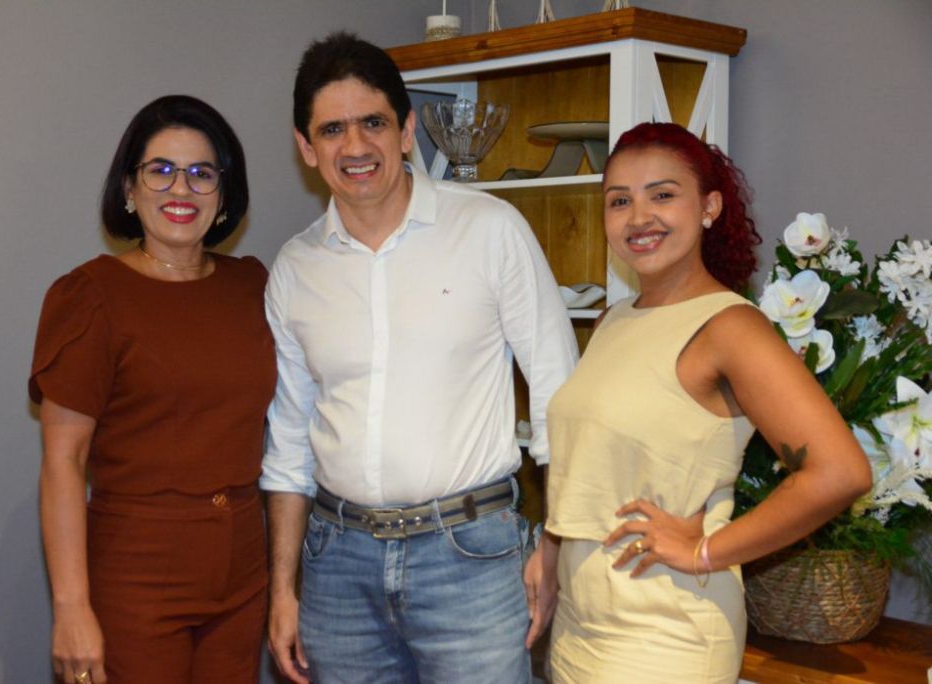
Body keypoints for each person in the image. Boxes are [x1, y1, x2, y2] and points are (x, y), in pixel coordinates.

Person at [262, 31, 578, 683]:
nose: (355, 146)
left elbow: (559, 391)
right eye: (332, 130)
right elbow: (290, 439)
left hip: (471, 558)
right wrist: (283, 588)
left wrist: (555, 542)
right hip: (337, 567)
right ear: (306, 147)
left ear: (406, 130)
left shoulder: (490, 230)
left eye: (373, 123)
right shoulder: (296, 267)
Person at [544, 122, 872, 683]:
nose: (638, 217)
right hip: (581, 626)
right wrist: (550, 552)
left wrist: (706, 551)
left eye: (662, 195)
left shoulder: (730, 328)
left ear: (709, 208)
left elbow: (840, 472)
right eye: (619, 201)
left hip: (667, 633)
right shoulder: (612, 320)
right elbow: (589, 464)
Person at [30, 95, 275, 683]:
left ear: (223, 194)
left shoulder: (253, 286)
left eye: (202, 173)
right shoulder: (91, 297)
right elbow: (64, 462)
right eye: (160, 170)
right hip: (137, 569)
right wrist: (71, 608)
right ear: (128, 188)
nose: (181, 189)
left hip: (244, 565)